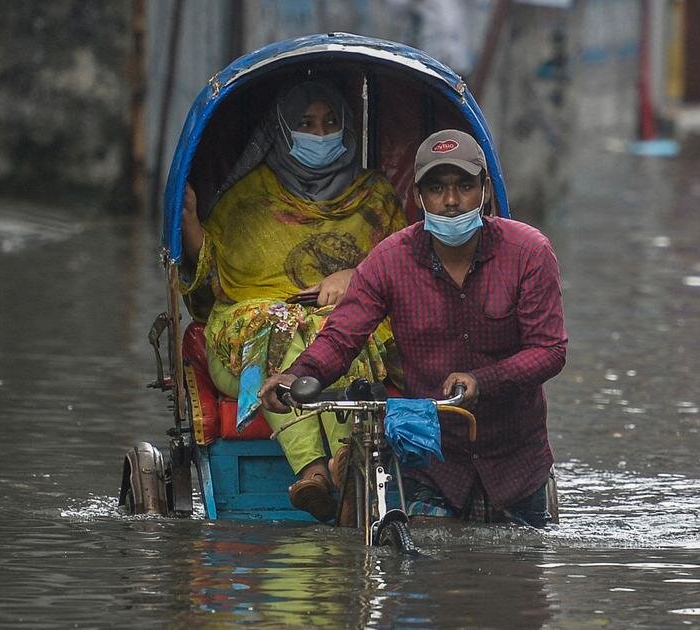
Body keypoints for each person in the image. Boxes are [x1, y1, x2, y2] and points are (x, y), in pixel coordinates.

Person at [259, 129, 568, 528]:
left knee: (517, 580)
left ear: (486, 191)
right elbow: (342, 336)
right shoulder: (389, 260)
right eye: (437, 188)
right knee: (425, 574)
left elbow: (550, 350)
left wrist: (483, 380)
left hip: (515, 462)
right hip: (433, 462)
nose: (452, 201)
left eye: (465, 186)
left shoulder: (529, 252)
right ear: (420, 198)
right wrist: (300, 375)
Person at [180, 79, 408, 522]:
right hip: (246, 344)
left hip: (346, 328)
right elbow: (211, 286)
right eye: (305, 124)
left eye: (330, 123)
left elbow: (406, 268)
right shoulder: (247, 199)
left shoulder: (374, 197)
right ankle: (317, 471)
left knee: (335, 329)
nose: (319, 135)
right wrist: (189, 225)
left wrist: (357, 276)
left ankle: (339, 468)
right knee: (284, 326)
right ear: (283, 130)